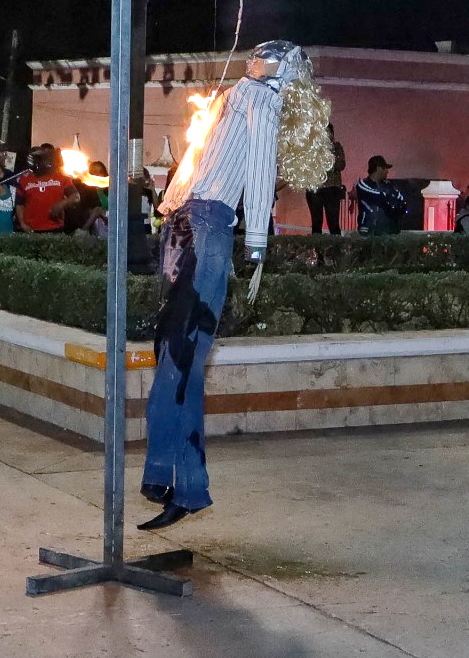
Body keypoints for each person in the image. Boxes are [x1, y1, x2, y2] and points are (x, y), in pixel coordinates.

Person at [141, 39, 334, 531]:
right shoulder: (250, 97)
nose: (257, 60)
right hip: (197, 224)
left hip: (194, 223)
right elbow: (233, 165)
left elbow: (233, 164)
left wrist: (251, 240)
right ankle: (176, 481)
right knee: (177, 354)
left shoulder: (245, 97)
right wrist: (252, 240)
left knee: (176, 355)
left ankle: (172, 479)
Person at [15, 145, 79, 234]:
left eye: (42, 158)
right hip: (30, 229)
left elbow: (76, 197)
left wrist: (62, 204)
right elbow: (19, 204)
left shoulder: (62, 178)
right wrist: (22, 223)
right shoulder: (24, 179)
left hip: (55, 228)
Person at [305, 123, 348, 235]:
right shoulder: (312, 148)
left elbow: (341, 165)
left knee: (333, 222)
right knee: (316, 222)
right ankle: (317, 244)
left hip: (332, 188)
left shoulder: (336, 147)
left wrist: (327, 158)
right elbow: (308, 166)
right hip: (315, 188)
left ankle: (335, 244)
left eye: (328, 133)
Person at [354, 156, 405, 235]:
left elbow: (401, 201)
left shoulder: (389, 185)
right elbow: (378, 197)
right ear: (378, 168)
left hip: (389, 231)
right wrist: (389, 200)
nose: (387, 171)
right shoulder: (363, 185)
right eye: (385, 168)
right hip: (369, 230)